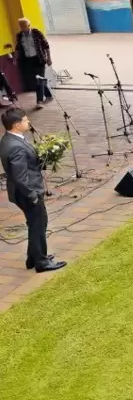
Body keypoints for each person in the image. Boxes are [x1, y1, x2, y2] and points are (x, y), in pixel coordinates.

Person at [0, 108, 66, 273]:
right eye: (25, 120)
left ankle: (33, 258)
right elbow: (20, 177)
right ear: (16, 125)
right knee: (39, 224)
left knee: (34, 224)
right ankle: (41, 263)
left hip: (21, 192)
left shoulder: (8, 139)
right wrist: (32, 196)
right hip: (27, 193)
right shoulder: (16, 147)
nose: (28, 122)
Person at [14, 18, 53, 109]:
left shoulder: (37, 33)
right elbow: (17, 48)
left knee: (39, 80)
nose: (22, 27)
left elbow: (46, 46)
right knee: (38, 80)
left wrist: (49, 58)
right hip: (28, 60)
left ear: (28, 25)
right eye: (20, 25)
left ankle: (39, 101)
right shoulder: (20, 35)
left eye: (24, 25)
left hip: (38, 59)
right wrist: (16, 58)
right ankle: (49, 95)